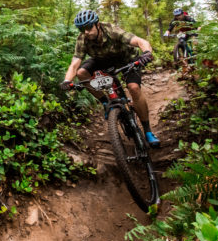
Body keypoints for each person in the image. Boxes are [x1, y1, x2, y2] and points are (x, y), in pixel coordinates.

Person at [60, 10, 160, 147]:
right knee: (82, 73)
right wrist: (67, 81)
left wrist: (147, 53)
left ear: (97, 24)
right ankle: (105, 102)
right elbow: (75, 63)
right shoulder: (82, 39)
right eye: (82, 29)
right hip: (102, 59)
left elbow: (139, 41)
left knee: (134, 88)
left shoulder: (112, 31)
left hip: (126, 59)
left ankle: (148, 131)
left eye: (89, 27)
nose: (86, 32)